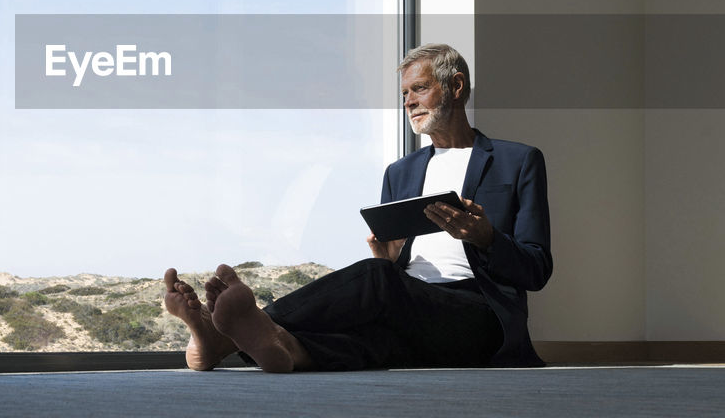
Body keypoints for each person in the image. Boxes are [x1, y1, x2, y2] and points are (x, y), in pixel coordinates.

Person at [163, 43, 552, 371]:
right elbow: (395, 270)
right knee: (373, 339)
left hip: (480, 314)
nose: (409, 102)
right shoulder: (400, 172)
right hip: (409, 305)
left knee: (376, 280)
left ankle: (226, 339)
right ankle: (285, 348)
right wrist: (388, 258)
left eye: (419, 89)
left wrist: (486, 238)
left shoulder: (517, 161)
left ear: (457, 86)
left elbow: (536, 269)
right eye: (403, 95)